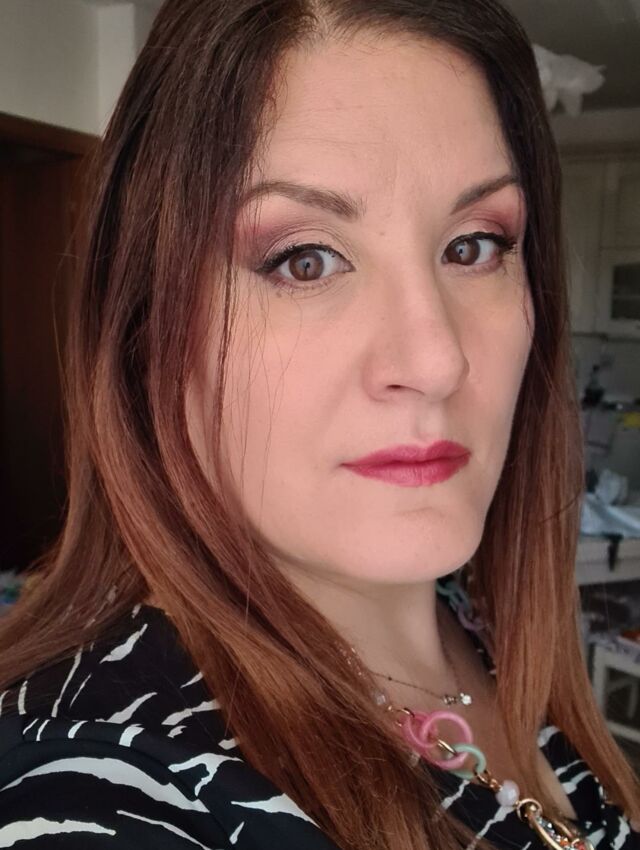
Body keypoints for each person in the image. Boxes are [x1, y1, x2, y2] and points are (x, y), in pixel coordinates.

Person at [0, 1, 638, 848]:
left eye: (474, 245)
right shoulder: (99, 783)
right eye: (305, 260)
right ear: (147, 331)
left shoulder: (481, 626)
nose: (437, 359)